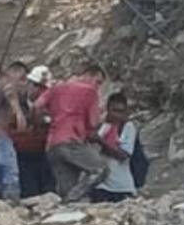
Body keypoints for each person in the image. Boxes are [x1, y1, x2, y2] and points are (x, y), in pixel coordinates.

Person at [36, 63, 107, 200]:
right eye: (97, 82)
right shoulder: (90, 91)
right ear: (88, 75)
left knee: (67, 186)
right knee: (100, 169)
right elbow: (93, 123)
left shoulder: (56, 88)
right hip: (72, 141)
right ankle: (72, 199)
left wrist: (48, 120)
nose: (97, 86)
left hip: (52, 145)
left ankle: (67, 206)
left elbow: (36, 107)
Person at [0, 61, 28, 203]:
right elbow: (18, 116)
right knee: (9, 166)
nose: (24, 84)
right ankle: (11, 197)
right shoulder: (8, 84)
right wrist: (20, 115)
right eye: (23, 79)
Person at [15, 64, 55, 198]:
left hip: (43, 150)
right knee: (29, 187)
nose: (39, 91)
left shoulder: (48, 105)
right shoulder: (17, 102)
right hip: (22, 150)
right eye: (36, 86)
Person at [91, 92, 138, 203]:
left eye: (121, 111)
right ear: (107, 109)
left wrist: (100, 141)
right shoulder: (101, 127)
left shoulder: (128, 127)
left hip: (121, 188)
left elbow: (123, 156)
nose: (118, 115)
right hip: (101, 186)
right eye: (114, 111)